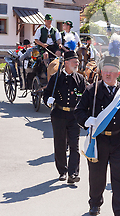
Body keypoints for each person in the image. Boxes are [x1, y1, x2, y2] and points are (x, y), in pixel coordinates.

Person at [74, 56, 120, 216]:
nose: (108, 74)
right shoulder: (92, 90)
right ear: (101, 72)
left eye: (112, 72)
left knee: (119, 175)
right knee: (97, 176)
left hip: (119, 140)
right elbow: (79, 111)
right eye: (105, 71)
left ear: (118, 73)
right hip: (99, 140)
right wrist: (86, 120)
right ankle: (95, 204)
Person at [44, 51, 86, 184]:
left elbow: (86, 97)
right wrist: (48, 100)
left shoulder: (80, 79)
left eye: (78, 61)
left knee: (74, 146)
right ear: (66, 63)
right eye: (75, 61)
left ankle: (73, 173)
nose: (78, 63)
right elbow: (46, 93)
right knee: (60, 144)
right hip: (59, 115)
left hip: (74, 117)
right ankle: (62, 171)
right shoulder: (56, 78)